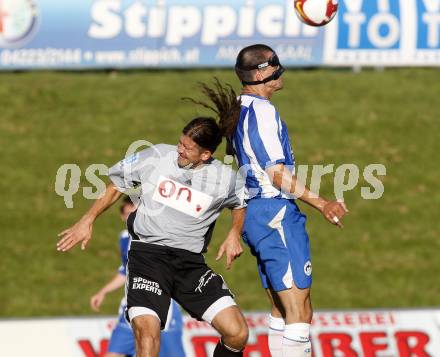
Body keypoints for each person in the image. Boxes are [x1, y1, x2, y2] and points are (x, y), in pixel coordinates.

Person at [190, 44, 348, 357]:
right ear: (261, 72)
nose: (281, 68)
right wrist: (322, 203)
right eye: (275, 63)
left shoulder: (238, 106)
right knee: (298, 314)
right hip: (274, 209)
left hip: (255, 213)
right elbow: (275, 173)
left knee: (280, 309)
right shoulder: (262, 111)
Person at [57, 115, 249, 357]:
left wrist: (234, 233)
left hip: (190, 265)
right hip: (148, 259)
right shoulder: (156, 156)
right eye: (180, 142)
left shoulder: (226, 179)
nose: (179, 150)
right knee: (147, 338)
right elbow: (116, 184)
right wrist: (87, 220)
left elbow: (240, 203)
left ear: (205, 155)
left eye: (187, 148)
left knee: (237, 333)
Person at [90, 196, 185, 357]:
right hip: (132, 305)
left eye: (134, 212)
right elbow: (125, 270)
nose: (131, 217)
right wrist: (103, 291)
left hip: (162, 306)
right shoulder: (125, 238)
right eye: (127, 214)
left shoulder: (158, 236)